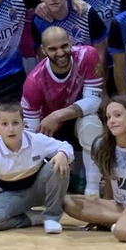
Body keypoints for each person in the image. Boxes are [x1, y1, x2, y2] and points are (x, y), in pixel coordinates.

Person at [0, 99, 73, 234]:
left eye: (15, 123)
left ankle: (51, 217)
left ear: (23, 124)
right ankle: (33, 218)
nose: (11, 129)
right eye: (4, 124)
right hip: (12, 195)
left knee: (58, 164)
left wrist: (63, 153)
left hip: (40, 190)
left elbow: (65, 146)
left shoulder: (36, 140)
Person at [21, 27, 105, 161]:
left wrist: (57, 115)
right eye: (53, 49)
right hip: (48, 128)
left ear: (71, 42)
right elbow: (30, 131)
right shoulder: (34, 82)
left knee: (91, 125)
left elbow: (94, 100)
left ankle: (93, 175)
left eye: (64, 46)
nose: (60, 53)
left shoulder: (88, 55)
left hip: (77, 115)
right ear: (43, 50)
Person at [77, 96, 126, 236]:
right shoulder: (101, 145)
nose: (111, 121)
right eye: (108, 117)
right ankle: (121, 220)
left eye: (117, 115)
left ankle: (123, 222)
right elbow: (108, 180)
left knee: (123, 229)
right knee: (69, 202)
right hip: (117, 205)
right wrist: (104, 207)